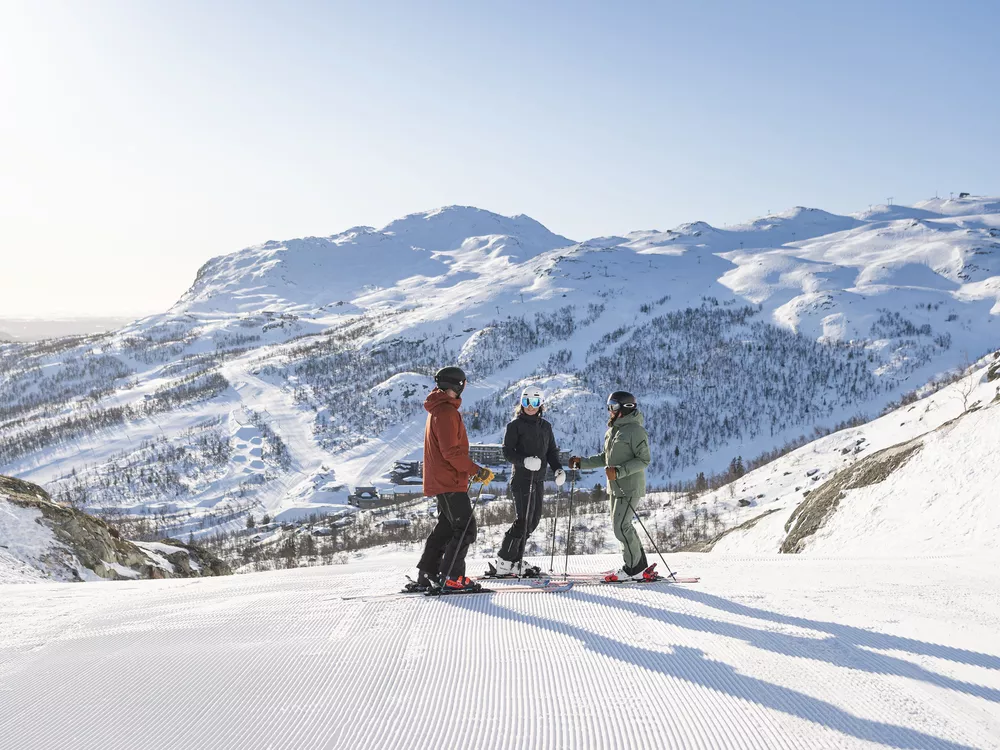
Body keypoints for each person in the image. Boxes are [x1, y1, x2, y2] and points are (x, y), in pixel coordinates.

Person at [412, 366, 494, 591]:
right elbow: (451, 453)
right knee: (466, 528)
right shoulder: (447, 412)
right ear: (458, 385)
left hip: (445, 479)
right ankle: (451, 576)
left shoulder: (438, 409)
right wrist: (475, 470)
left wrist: (467, 471)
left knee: (447, 528)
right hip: (448, 481)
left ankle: (428, 573)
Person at [569, 390, 655, 582]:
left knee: (621, 527)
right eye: (609, 406)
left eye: (613, 406)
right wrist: (581, 462)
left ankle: (634, 568)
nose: (609, 410)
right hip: (615, 486)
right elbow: (604, 458)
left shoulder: (636, 431)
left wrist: (619, 471)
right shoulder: (613, 431)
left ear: (625, 408)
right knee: (622, 527)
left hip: (630, 486)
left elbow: (644, 460)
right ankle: (639, 565)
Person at [488, 385, 566, 578]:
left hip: (538, 480)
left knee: (533, 521)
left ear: (541, 405)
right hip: (522, 479)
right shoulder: (514, 426)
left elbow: (551, 452)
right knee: (522, 521)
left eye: (534, 402)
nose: (530, 406)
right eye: (526, 402)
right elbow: (507, 452)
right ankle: (504, 561)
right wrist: (524, 461)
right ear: (521, 404)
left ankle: (515, 560)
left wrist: (558, 469)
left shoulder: (545, 426)